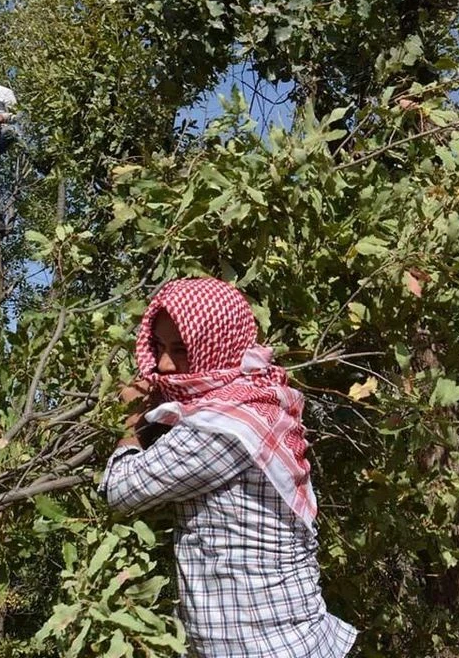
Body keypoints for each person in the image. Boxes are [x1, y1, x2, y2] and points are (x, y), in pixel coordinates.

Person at [100, 277, 357, 658]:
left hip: (264, 647)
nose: (165, 366)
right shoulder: (254, 393)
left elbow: (118, 491)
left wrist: (128, 421)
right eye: (158, 348)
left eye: (181, 349)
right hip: (283, 638)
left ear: (214, 345)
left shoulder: (220, 428)